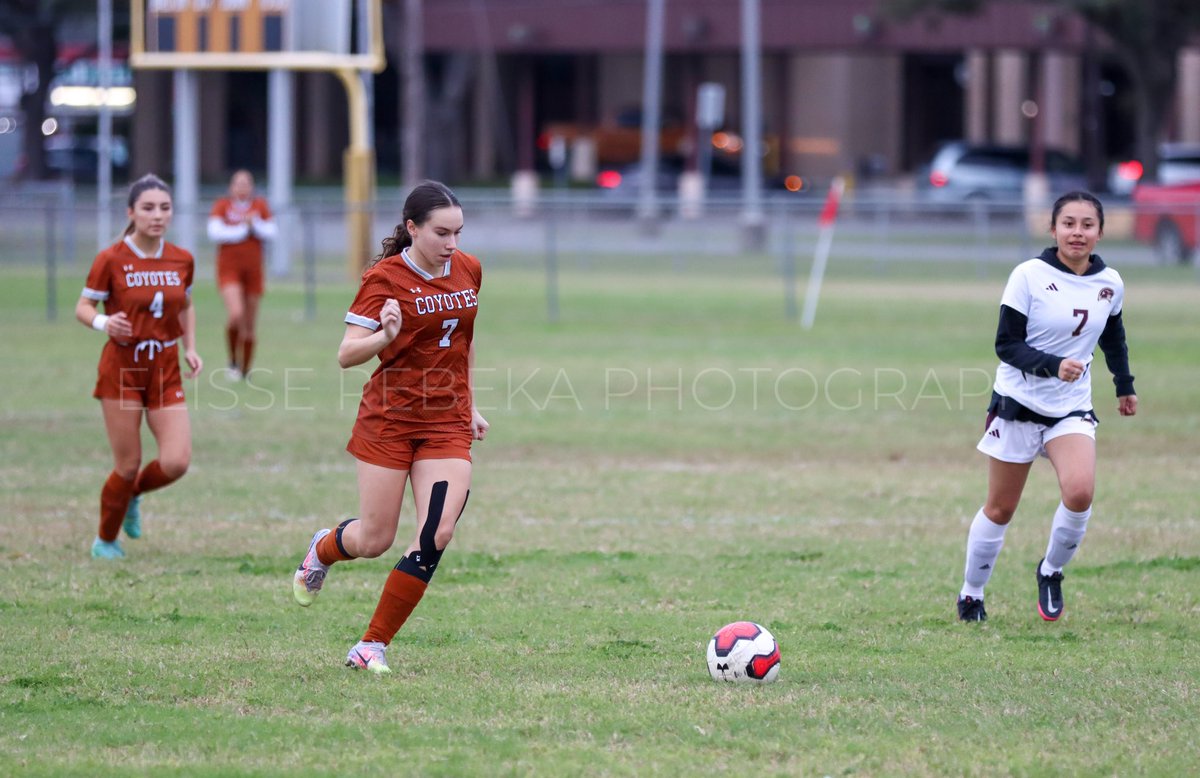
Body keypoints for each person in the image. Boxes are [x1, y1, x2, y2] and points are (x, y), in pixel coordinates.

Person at [290, 180, 489, 673]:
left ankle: (371, 645)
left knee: (435, 533)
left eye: (458, 232)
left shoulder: (468, 269)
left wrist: (473, 405)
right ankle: (323, 547)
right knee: (374, 539)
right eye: (442, 233)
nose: (452, 245)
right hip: (390, 419)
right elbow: (345, 354)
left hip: (446, 420)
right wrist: (385, 334)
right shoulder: (384, 279)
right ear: (412, 228)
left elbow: (463, 341)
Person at [957, 191, 1137, 622]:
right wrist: (1053, 365)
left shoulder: (1110, 282)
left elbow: (1113, 335)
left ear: (1100, 232)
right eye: (1069, 223)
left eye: (1087, 225)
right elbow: (1006, 345)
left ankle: (1051, 571)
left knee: (1079, 493)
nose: (1078, 232)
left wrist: (1124, 385)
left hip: (1071, 408)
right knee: (1001, 508)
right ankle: (972, 594)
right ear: (1052, 228)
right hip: (1018, 403)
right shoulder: (1029, 275)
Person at [75, 174, 203, 559]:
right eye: (148, 208)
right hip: (122, 369)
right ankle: (106, 539)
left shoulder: (182, 258)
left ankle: (131, 497)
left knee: (177, 461)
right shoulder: (111, 258)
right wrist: (103, 322)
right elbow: (83, 307)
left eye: (164, 208)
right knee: (127, 464)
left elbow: (186, 305)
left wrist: (190, 347)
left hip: (164, 366)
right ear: (131, 212)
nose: (157, 215)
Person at [207, 169, 276, 380]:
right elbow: (215, 232)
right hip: (229, 270)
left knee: (249, 326)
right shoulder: (222, 205)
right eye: (238, 183)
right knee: (236, 314)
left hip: (253, 272)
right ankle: (232, 362)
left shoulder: (260, 206)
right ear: (231, 187)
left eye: (246, 183)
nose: (242, 187)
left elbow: (272, 231)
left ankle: (245, 370)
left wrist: (253, 224)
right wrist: (243, 229)